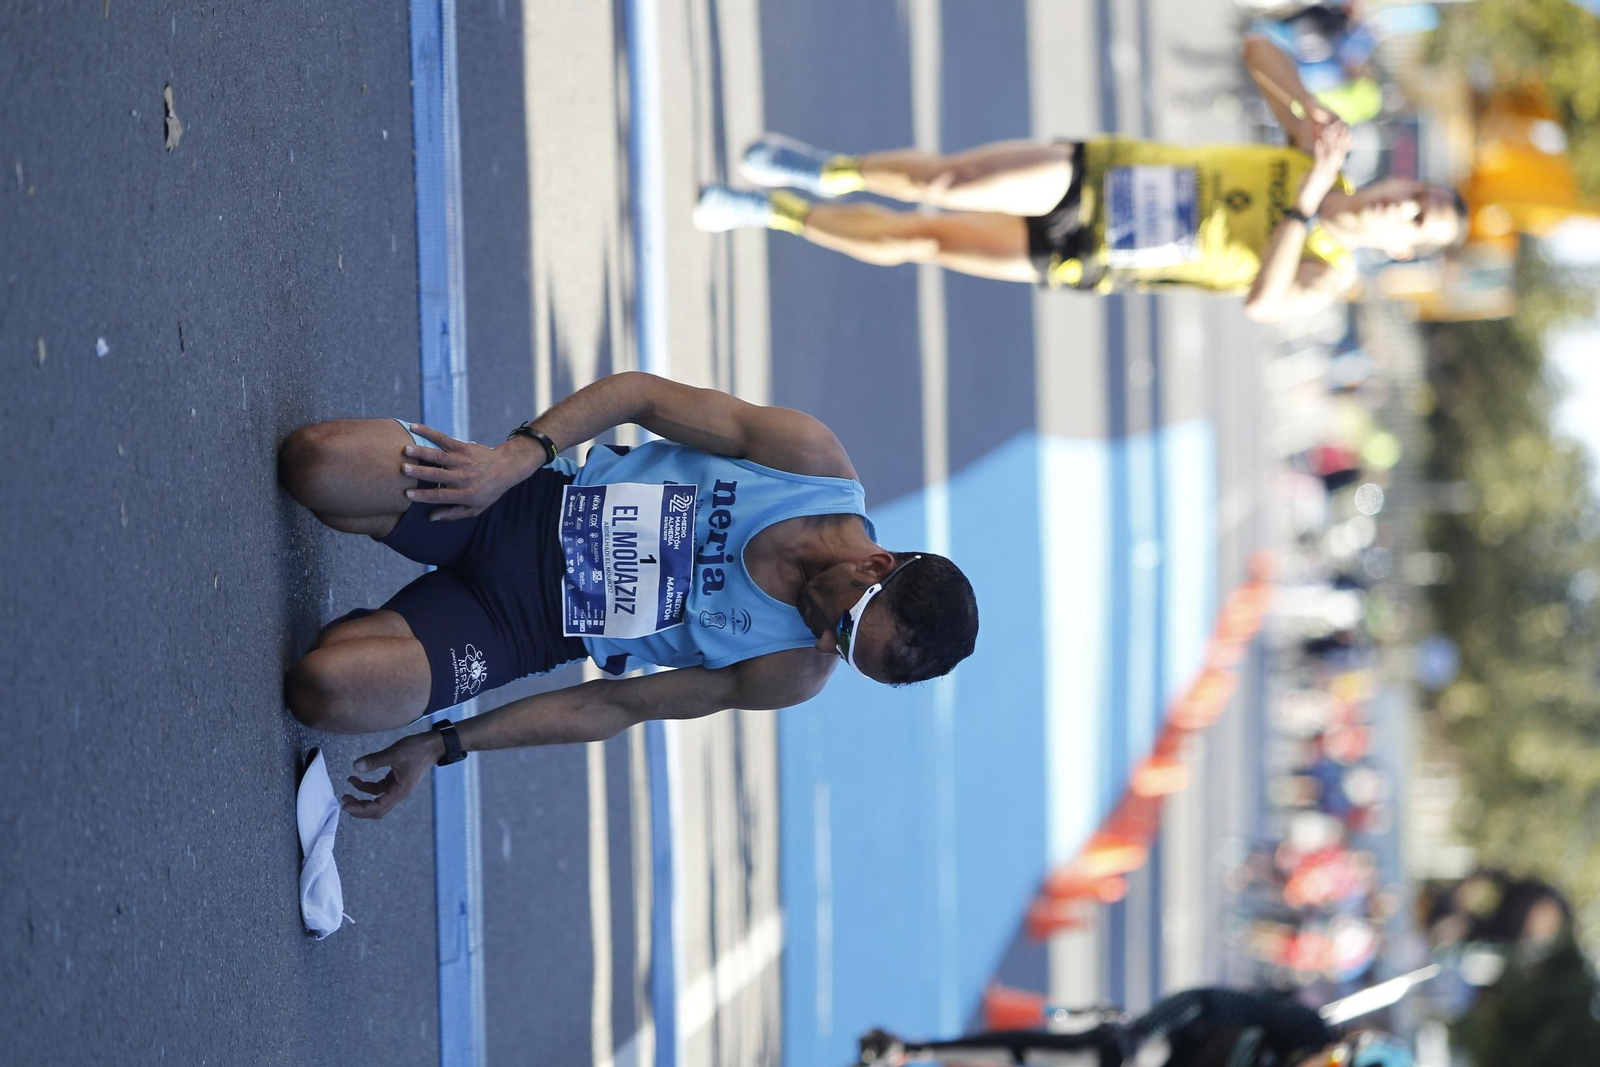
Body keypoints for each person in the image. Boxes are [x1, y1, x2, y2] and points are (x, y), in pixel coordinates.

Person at [278, 371, 979, 819]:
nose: (827, 645)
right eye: (848, 631)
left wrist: (445, 743)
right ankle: (399, 558)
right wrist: (510, 460)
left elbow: (611, 705)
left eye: (847, 659)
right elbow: (639, 395)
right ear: (875, 564)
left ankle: (402, 636)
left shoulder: (792, 669)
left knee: (324, 687)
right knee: (311, 464)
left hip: (518, 628)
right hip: (511, 509)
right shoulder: (807, 461)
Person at [693, 35, 1464, 323]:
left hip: (1095, 253)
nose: (1409, 205)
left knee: (921, 239)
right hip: (1100, 178)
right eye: (1423, 194)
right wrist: (1311, 104)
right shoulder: (1316, 150)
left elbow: (1264, 304)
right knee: (950, 184)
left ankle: (775, 213)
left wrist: (1300, 208)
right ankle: (830, 171)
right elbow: (1257, 50)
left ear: (1402, 251)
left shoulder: (1327, 274)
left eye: (1419, 223)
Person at [857, 987, 1412, 1067]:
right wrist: (1145, 1029)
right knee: (1082, 1058)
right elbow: (1207, 1000)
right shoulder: (1301, 1027)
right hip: (1153, 1048)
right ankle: (913, 1049)